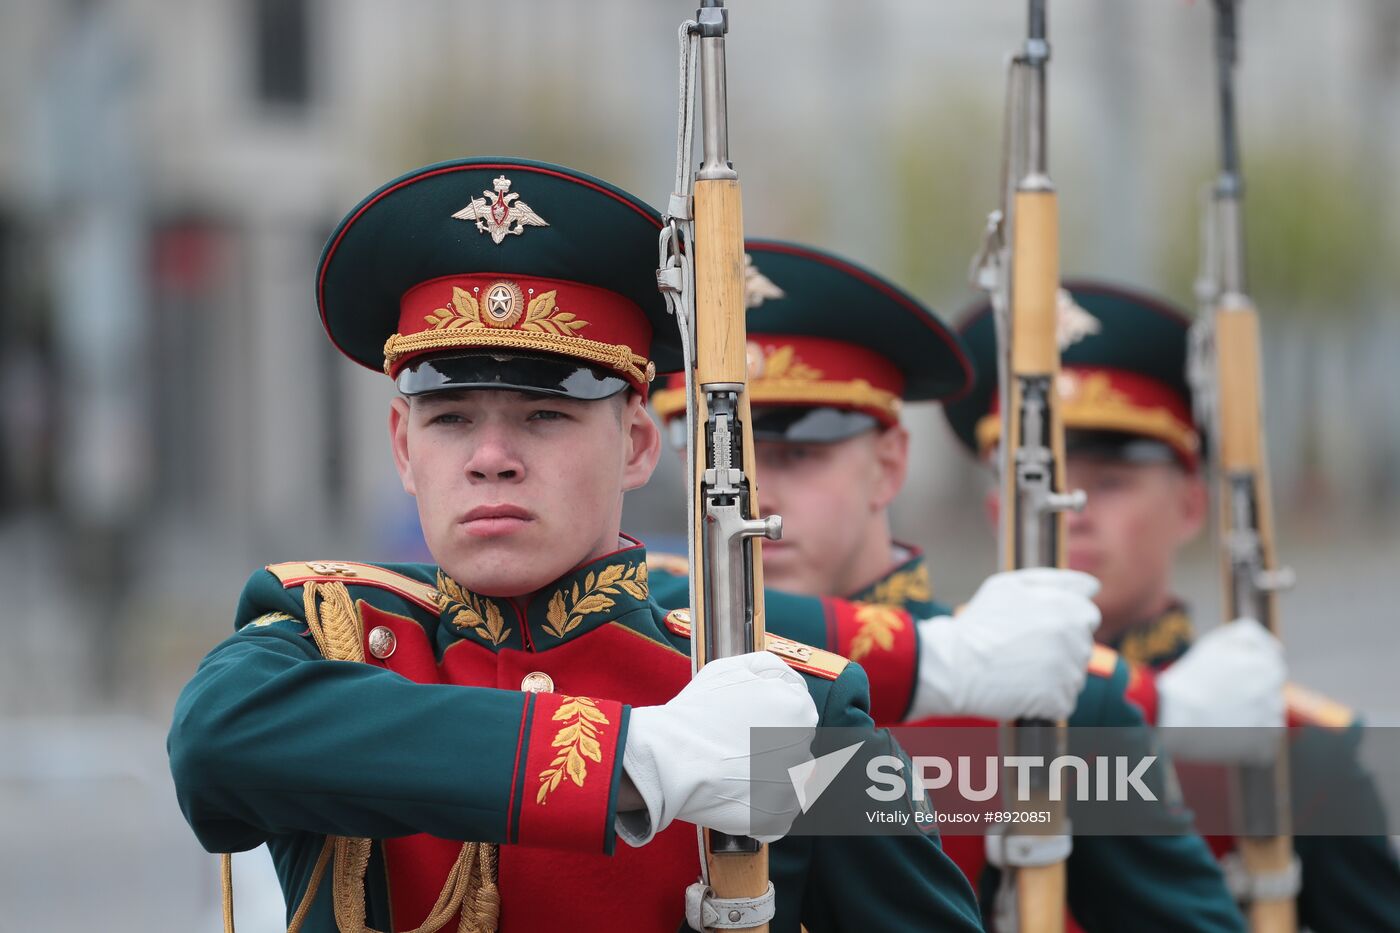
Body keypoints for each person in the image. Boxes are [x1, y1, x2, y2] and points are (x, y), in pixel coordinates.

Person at [166, 159, 987, 933]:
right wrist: (636, 757)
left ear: (636, 443)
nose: (491, 456)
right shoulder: (332, 639)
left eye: (543, 414)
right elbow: (212, 743)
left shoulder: (789, 719)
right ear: (402, 446)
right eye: (449, 418)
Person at [648, 241, 1244, 931]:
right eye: (715, 459)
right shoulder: (650, 656)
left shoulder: (1059, 703)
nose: (749, 496)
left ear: (891, 463)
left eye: (795, 455)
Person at [944, 279, 1400, 933]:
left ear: (1191, 506)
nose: (1069, 513)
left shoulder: (1297, 753)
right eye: (1037, 485)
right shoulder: (942, 727)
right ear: (995, 512)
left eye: (1109, 482)